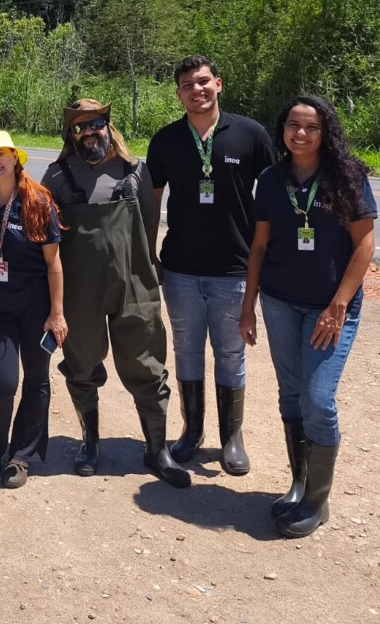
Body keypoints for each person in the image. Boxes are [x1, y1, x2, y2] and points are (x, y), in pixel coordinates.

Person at [240, 95, 377, 538]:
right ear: (282, 129)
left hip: (329, 308)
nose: (300, 134)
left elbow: (365, 244)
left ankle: (318, 500)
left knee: (317, 400)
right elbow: (259, 246)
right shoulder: (270, 179)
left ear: (325, 132)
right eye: (293, 126)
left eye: (311, 127)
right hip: (279, 301)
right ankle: (299, 485)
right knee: (291, 395)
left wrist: (339, 305)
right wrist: (248, 306)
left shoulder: (347, 176)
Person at [41, 99, 190, 487]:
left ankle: (157, 449)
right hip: (79, 291)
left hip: (134, 284)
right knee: (81, 365)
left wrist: (148, 269)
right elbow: (47, 239)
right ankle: (89, 443)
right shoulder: (56, 176)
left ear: (108, 125)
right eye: (80, 127)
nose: (89, 132)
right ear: (70, 134)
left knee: (147, 365)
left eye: (96, 124)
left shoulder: (135, 170)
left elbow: (149, 224)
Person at [147, 56, 276, 476]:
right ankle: (192, 431)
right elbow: (152, 202)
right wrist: (149, 253)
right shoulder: (166, 140)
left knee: (230, 353)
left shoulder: (250, 134)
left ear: (218, 84)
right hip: (180, 269)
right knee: (186, 350)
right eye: (187, 85)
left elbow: (275, 197)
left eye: (203, 81)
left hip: (234, 268)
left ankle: (231, 438)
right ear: (178, 93)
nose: (196, 90)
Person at [0, 131, 67, 489]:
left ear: (14, 157)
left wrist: (57, 313)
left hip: (36, 308)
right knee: (4, 382)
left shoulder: (37, 201)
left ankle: (22, 455)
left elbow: (54, 264)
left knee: (37, 380)